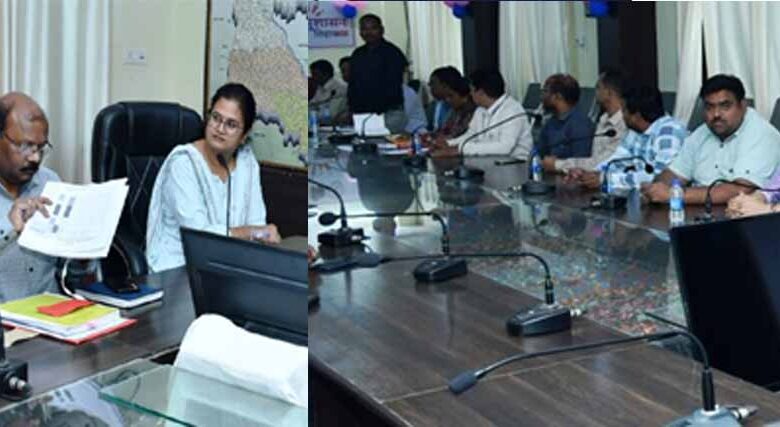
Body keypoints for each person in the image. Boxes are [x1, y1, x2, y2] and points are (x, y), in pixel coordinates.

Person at [146, 83, 280, 273]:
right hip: (178, 268)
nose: (220, 129)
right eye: (216, 118)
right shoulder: (183, 163)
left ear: (244, 135)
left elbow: (257, 222)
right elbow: (199, 236)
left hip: (227, 266)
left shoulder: (247, 163)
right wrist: (252, 232)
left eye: (231, 124)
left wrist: (259, 234)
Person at [642, 74, 780, 205]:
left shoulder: (761, 134)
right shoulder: (702, 133)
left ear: (742, 106)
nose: (716, 114)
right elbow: (675, 173)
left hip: (736, 214)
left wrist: (675, 194)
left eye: (725, 106)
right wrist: (654, 189)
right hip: (695, 211)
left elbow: (740, 190)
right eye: (709, 107)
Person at [567, 85, 687, 191]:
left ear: (636, 116)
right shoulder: (635, 132)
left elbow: (659, 178)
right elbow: (616, 161)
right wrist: (591, 173)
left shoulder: (669, 132)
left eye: (624, 110)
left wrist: (607, 179)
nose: (621, 115)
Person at [0, 92, 59, 302]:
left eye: (41, 147)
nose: (35, 158)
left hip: (54, 312)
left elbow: (70, 273)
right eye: (25, 146)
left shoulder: (50, 183)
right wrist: (11, 233)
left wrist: (83, 257)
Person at [435, 69, 532, 158]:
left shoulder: (513, 110)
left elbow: (504, 147)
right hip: (487, 162)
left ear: (481, 92)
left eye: (472, 90)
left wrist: (461, 149)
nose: (470, 94)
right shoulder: (480, 110)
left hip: (515, 164)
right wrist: (449, 143)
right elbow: (471, 135)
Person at [548, 68, 628, 174]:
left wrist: (558, 164)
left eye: (598, 88)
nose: (595, 92)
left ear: (609, 93)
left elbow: (601, 163)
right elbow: (593, 159)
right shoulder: (603, 119)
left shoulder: (624, 123)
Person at [347, 14, 409, 134]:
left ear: (381, 30)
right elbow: (353, 84)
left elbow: (393, 84)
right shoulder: (357, 54)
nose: (368, 32)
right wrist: (351, 109)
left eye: (373, 28)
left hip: (388, 113)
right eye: (364, 29)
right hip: (362, 114)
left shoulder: (392, 52)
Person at [537, 73, 595, 165]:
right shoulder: (551, 122)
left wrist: (556, 164)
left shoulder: (580, 124)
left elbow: (581, 162)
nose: (541, 97)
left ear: (558, 96)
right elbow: (539, 154)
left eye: (545, 91)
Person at [426, 70, 476, 144]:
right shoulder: (455, 111)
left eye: (451, 96)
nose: (447, 100)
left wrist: (445, 140)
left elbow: (459, 136)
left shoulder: (474, 114)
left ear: (464, 97)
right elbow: (444, 131)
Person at [309, 60, 348, 125]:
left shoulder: (340, 88)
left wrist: (314, 114)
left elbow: (332, 114)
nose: (312, 77)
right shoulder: (320, 87)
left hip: (336, 126)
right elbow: (311, 106)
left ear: (326, 74)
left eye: (315, 74)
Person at [428, 67, 457, 131]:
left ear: (444, 85)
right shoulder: (433, 106)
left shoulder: (460, 107)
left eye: (432, 83)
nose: (429, 86)